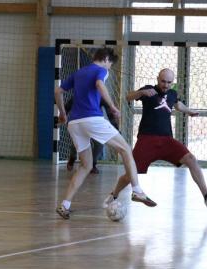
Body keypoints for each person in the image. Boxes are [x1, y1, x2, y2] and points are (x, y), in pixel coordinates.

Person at [54, 47, 157, 219]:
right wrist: (112, 107)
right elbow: (100, 85)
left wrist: (63, 113)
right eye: (110, 64)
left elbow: (58, 91)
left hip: (74, 123)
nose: (109, 68)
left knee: (86, 165)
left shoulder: (79, 72)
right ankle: (137, 191)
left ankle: (65, 205)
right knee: (126, 149)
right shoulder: (101, 70)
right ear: (106, 59)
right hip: (92, 119)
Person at [103, 68, 207, 210]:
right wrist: (141, 93)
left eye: (169, 82)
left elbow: (177, 104)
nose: (166, 85)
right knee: (131, 174)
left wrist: (189, 111)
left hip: (167, 140)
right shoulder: (148, 89)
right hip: (147, 140)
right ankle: (114, 195)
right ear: (157, 79)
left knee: (191, 159)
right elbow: (128, 97)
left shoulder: (172, 93)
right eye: (163, 81)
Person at [65, 97, 119, 174]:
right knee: (77, 144)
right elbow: (67, 107)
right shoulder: (79, 95)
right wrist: (63, 115)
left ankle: (93, 164)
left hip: (94, 123)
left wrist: (115, 128)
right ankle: (72, 157)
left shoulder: (101, 96)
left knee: (99, 143)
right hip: (79, 122)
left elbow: (110, 113)